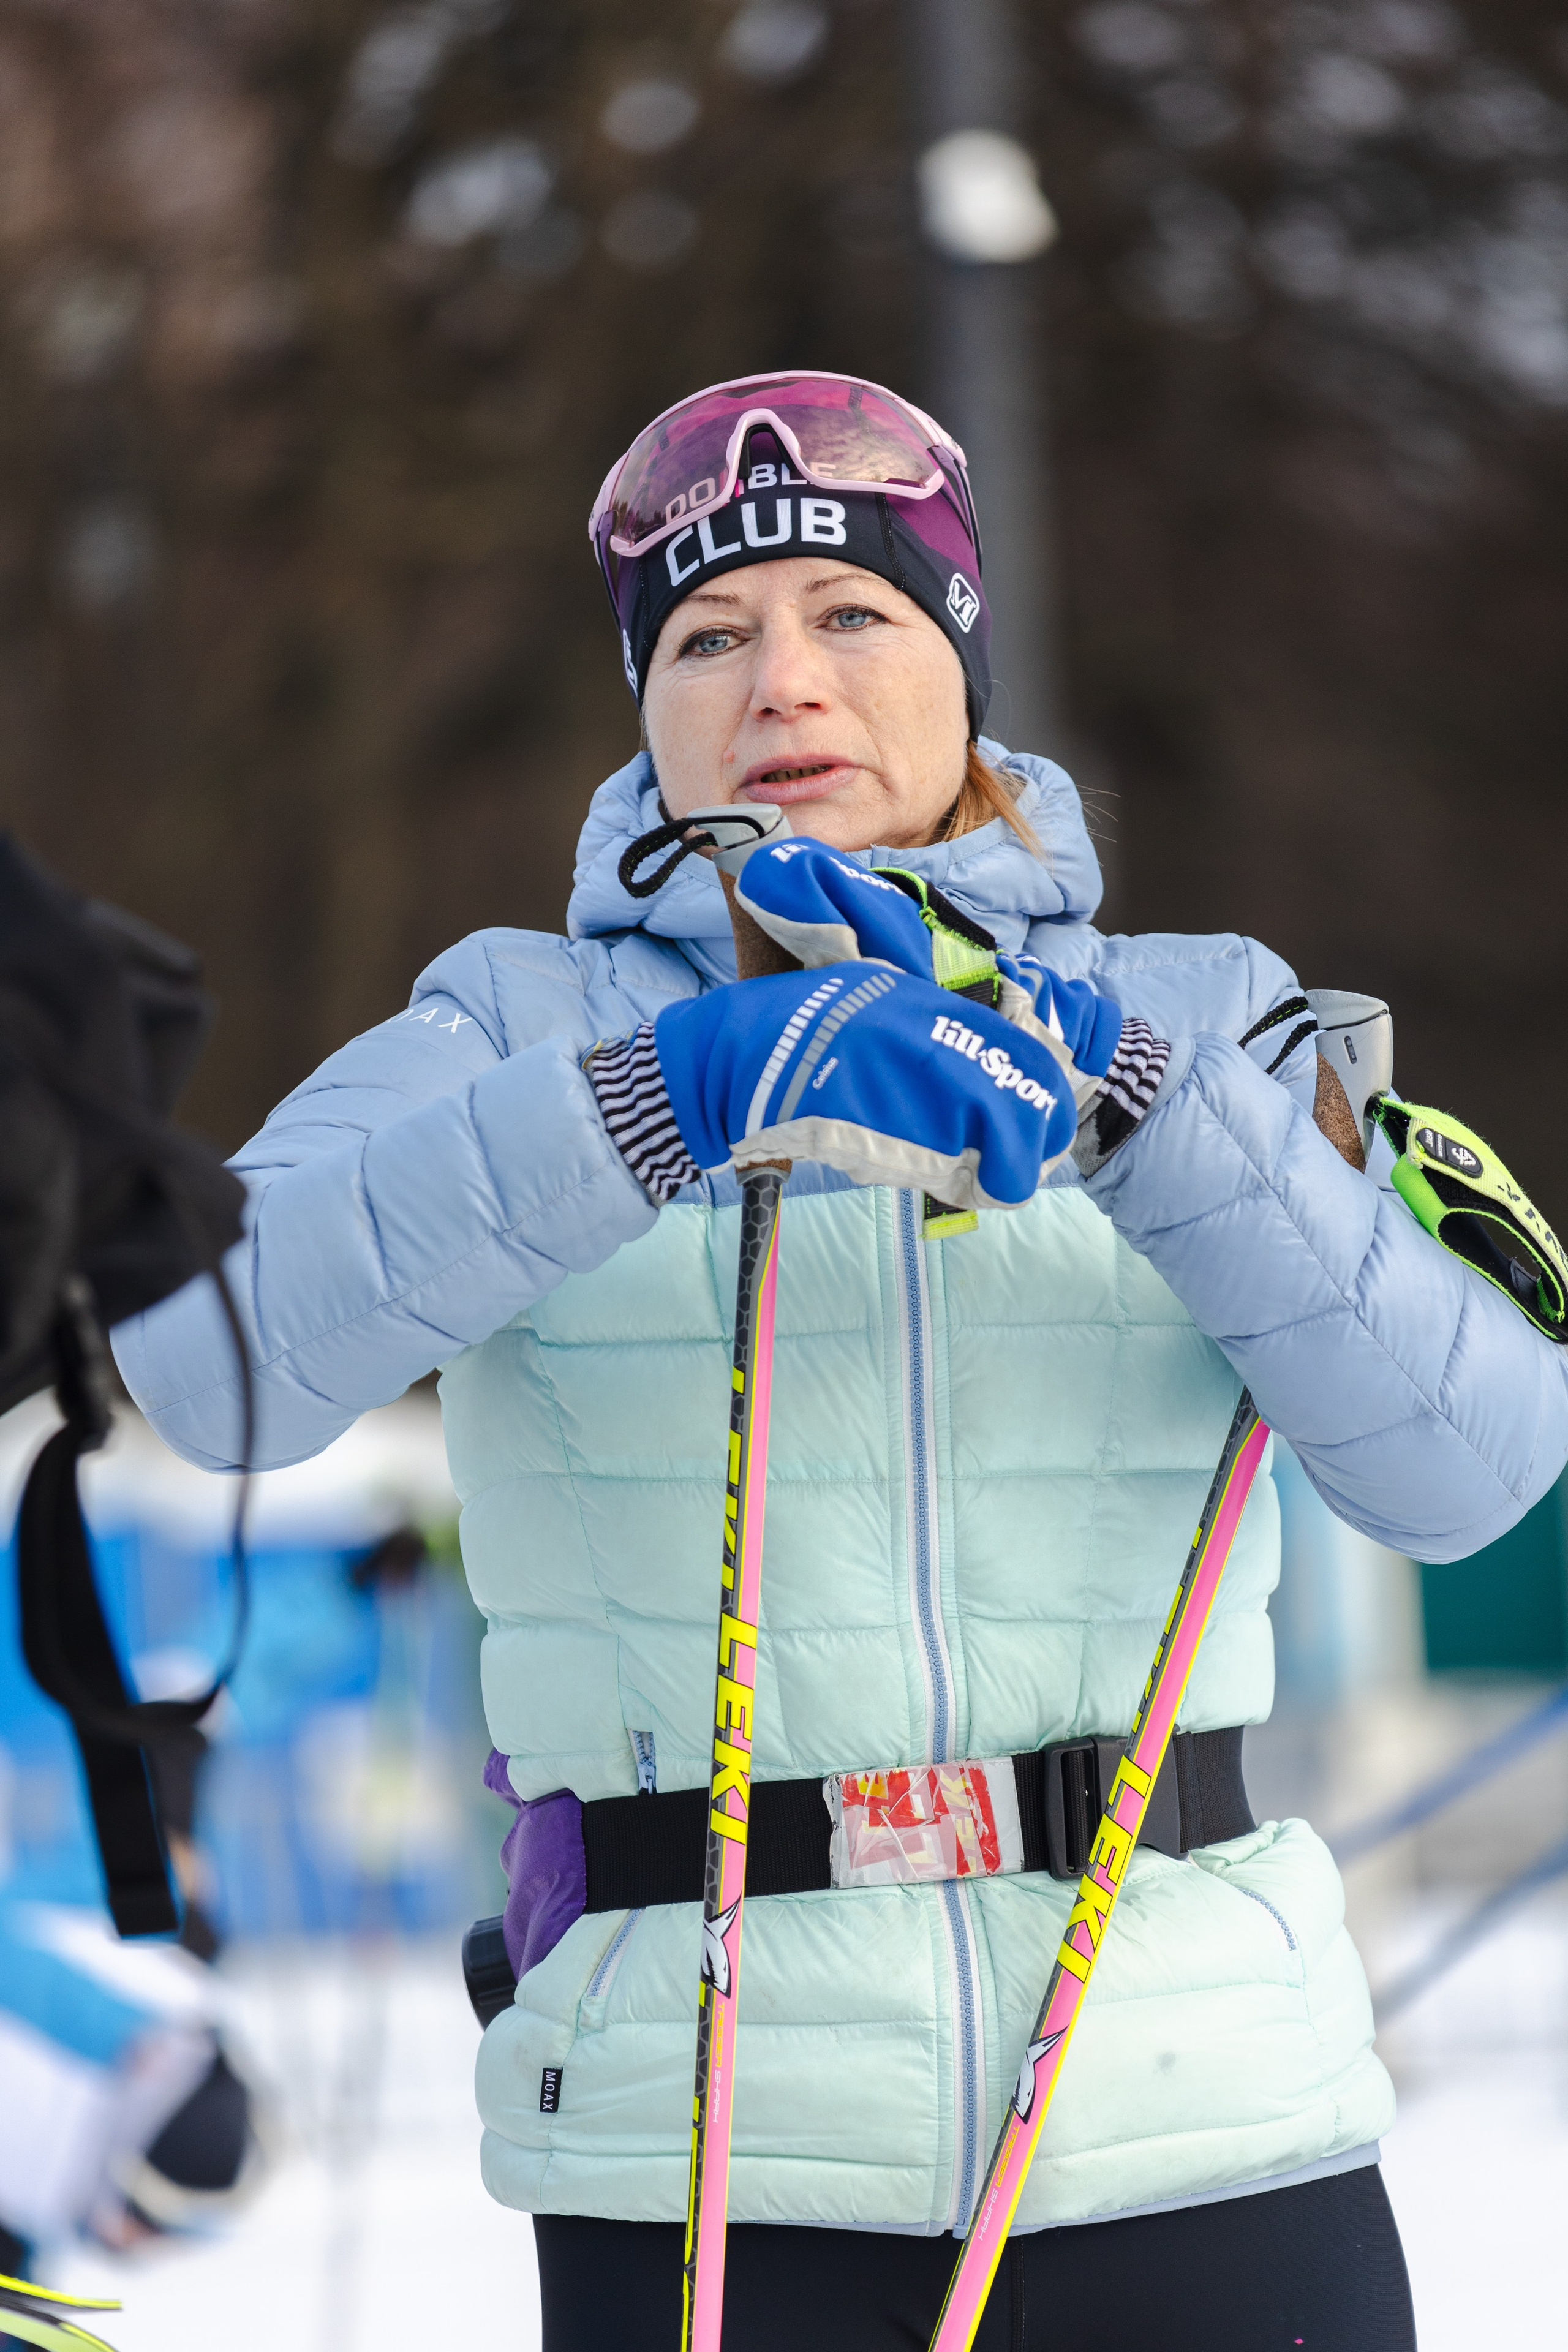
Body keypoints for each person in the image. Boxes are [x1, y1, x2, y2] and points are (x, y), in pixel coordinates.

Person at [113, 371, 1568, 2350]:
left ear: (963, 667)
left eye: (854, 614)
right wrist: (668, 1097)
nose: (781, 681)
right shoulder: (507, 1019)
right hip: (709, 2150)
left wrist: (1145, 1103)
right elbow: (209, 1360)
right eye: (708, 636)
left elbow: (1466, 1469)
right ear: (644, 702)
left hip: (1208, 2119)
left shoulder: (1217, 1014)